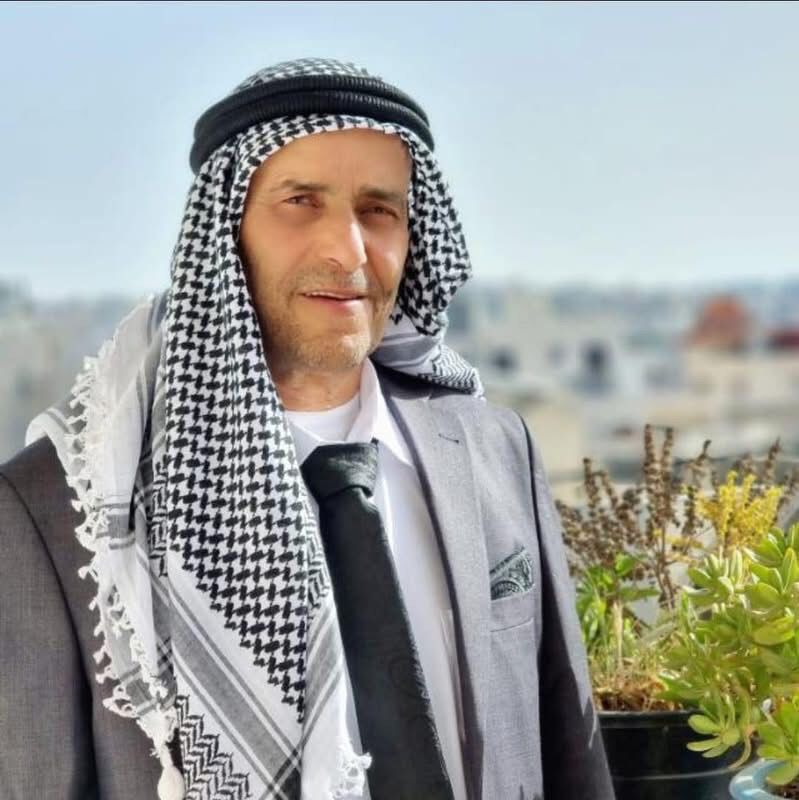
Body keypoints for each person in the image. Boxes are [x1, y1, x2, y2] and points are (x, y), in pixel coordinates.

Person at [0, 58, 612, 800]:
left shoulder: (496, 448)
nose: (347, 250)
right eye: (300, 201)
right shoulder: (59, 510)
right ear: (225, 233)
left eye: (379, 210)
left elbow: (570, 758)